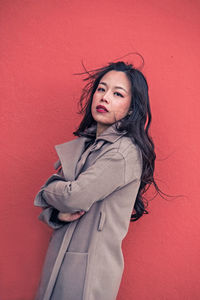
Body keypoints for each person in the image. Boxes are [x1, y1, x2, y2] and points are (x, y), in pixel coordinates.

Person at [34, 60, 158, 300]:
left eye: (117, 93)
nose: (104, 97)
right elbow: (68, 205)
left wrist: (48, 189)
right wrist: (57, 215)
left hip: (88, 272)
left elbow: (73, 197)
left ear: (132, 108)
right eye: (101, 89)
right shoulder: (89, 146)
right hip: (61, 258)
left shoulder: (123, 152)